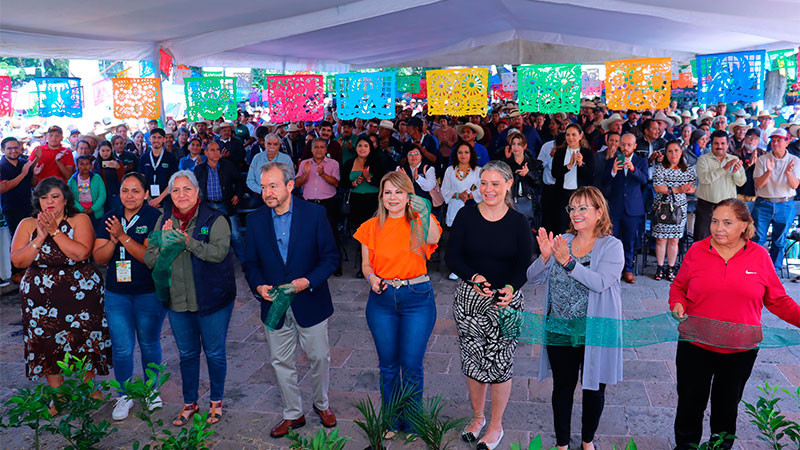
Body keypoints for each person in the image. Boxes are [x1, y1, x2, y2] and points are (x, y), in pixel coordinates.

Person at [669, 198, 800, 450]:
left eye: (728, 223)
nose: (718, 228)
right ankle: (685, 446)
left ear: (744, 225)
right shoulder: (697, 250)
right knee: (689, 404)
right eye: (715, 221)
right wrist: (677, 303)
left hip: (739, 350)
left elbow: (779, 300)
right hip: (695, 343)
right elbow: (679, 287)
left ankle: (721, 447)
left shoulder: (760, 256)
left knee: (726, 407)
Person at [241, 161, 339, 438]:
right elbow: (249, 263)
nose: (267, 192)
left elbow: (330, 258)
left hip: (310, 301)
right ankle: (293, 414)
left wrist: (307, 281)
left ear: (289, 186)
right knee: (280, 361)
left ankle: (321, 404)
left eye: (273, 186)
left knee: (319, 357)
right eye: (263, 187)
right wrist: (259, 286)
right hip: (274, 306)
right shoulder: (255, 219)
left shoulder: (315, 215)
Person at [527, 186, 624, 450]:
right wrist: (546, 257)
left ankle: (587, 441)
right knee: (562, 388)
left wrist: (568, 263)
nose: (576, 213)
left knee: (594, 389)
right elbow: (532, 277)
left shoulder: (612, 246)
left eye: (583, 208)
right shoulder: (563, 241)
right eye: (572, 207)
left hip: (593, 329)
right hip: (559, 327)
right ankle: (561, 443)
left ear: (599, 212)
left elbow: (601, 282)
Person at [446, 161, 533, 450]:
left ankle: (496, 426)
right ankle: (477, 417)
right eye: (484, 183)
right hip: (470, 299)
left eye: (495, 183)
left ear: (508, 185)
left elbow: (524, 264)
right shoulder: (466, 215)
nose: (488, 189)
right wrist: (474, 277)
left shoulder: (519, 221)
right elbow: (453, 257)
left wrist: (510, 288)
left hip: (506, 302)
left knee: (500, 364)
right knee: (473, 361)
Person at [10, 177, 111, 411]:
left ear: (65, 199)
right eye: (44, 198)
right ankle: (59, 394)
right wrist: (41, 235)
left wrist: (55, 231)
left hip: (80, 292)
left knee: (85, 339)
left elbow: (81, 253)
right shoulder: (27, 224)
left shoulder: (79, 219)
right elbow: (18, 260)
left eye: (55, 196)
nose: (49, 202)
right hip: (40, 296)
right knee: (47, 342)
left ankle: (88, 387)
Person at [144, 170, 236, 427]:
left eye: (187, 189)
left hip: (212, 300)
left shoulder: (214, 218)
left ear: (197, 192)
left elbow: (219, 253)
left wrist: (188, 242)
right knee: (186, 354)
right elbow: (150, 259)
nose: (181, 195)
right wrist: (163, 243)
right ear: (169, 195)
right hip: (177, 301)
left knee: (215, 353)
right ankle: (189, 403)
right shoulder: (163, 220)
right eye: (175, 190)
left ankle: (216, 401)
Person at [354, 171, 442, 436]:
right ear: (381, 196)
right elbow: (366, 264)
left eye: (399, 192)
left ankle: (414, 421)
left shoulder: (417, 221)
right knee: (388, 366)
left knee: (412, 365)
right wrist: (371, 278)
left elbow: (435, 239)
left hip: (417, 299)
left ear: (408, 196)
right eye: (388, 192)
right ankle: (391, 421)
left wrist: (423, 209)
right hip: (382, 300)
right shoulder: (370, 226)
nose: (393, 197)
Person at [93, 173, 165, 420]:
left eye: (136, 191)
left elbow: (148, 257)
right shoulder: (110, 217)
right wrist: (113, 241)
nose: (130, 196)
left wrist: (123, 236)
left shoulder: (155, 217)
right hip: (117, 293)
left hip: (148, 292)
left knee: (149, 343)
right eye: (125, 190)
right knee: (122, 348)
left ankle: (151, 390)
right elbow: (99, 258)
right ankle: (124, 395)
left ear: (146, 194)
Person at [752, 128, 800, 272]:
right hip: (764, 203)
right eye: (773, 140)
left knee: (779, 240)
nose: (775, 143)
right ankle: (757, 270)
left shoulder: (795, 160)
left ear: (787, 142)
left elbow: (794, 185)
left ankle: (774, 270)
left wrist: (789, 173)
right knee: (758, 239)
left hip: (785, 203)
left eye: (779, 140)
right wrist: (769, 171)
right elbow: (759, 184)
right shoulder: (763, 159)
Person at [603, 133, 648, 284]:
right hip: (615, 207)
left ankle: (628, 269)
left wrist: (634, 169)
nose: (625, 147)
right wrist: (613, 171)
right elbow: (604, 182)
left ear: (635, 146)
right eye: (623, 144)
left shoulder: (641, 161)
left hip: (633, 208)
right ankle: (612, 270)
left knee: (630, 241)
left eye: (629, 145)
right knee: (612, 240)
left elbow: (645, 180)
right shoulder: (613, 160)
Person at [341, 137, 388, 277]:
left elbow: (383, 181)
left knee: (375, 234)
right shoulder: (350, 162)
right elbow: (343, 182)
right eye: (360, 145)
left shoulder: (376, 161)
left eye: (365, 146)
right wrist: (354, 183)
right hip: (356, 201)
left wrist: (369, 179)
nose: (362, 148)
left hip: (373, 201)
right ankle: (364, 266)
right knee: (362, 236)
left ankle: (378, 265)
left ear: (370, 148)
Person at [652, 141, 696, 281]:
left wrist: (688, 189)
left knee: (674, 240)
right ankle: (659, 267)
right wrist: (677, 190)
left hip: (679, 207)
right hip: (662, 206)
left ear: (681, 152)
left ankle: (670, 267)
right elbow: (658, 187)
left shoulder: (687, 169)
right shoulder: (660, 168)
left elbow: (693, 186)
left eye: (676, 150)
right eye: (670, 151)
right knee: (661, 239)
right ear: (666, 153)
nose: (673, 154)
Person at [193, 141, 245, 259]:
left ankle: (245, 262)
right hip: (207, 206)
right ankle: (210, 261)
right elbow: (193, 187)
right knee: (206, 234)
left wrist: (237, 195)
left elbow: (240, 181)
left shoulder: (228, 165)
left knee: (235, 235)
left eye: (218, 150)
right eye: (212, 150)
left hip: (225, 204)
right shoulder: (199, 169)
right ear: (205, 153)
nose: (216, 153)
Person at [694, 130, 746, 241]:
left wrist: (735, 171)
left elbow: (741, 182)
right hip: (706, 207)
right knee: (702, 241)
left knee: (726, 240)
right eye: (716, 143)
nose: (719, 146)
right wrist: (724, 169)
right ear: (711, 144)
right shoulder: (703, 159)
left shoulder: (734, 160)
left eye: (722, 143)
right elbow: (704, 179)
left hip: (728, 208)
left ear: (727, 145)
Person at [551, 124, 595, 234]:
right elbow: (555, 173)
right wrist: (568, 166)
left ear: (581, 136)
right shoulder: (560, 153)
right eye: (568, 135)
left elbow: (591, 175)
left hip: (580, 196)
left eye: (574, 135)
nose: (570, 138)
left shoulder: (587, 153)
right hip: (562, 195)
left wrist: (581, 164)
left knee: (579, 227)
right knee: (562, 226)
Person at [504, 132, 542, 229]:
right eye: (513, 144)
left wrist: (528, 174)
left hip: (530, 206)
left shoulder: (534, 163)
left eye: (519, 144)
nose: (516, 147)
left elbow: (539, 183)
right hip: (511, 203)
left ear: (525, 146)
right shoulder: (506, 165)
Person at [1, 137, 35, 237]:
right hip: (11, 208)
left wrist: (36, 174)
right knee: (17, 238)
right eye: (9, 148)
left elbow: (33, 184)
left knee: (32, 237)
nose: (13, 151)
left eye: (16, 148)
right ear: (3, 150)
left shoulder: (24, 163)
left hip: (28, 206)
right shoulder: (1, 166)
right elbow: (3, 188)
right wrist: (23, 174)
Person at [68, 155, 107, 228]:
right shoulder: (72, 180)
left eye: (87, 164)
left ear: (91, 165)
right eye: (82, 164)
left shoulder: (97, 178)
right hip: (79, 210)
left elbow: (102, 195)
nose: (85, 167)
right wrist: (81, 209)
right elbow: (70, 196)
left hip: (95, 211)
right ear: (77, 165)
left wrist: (93, 208)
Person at [731, 128, 764, 209]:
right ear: (745, 138)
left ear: (759, 141)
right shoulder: (736, 153)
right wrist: (748, 165)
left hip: (756, 195)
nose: (752, 140)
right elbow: (733, 172)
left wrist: (758, 164)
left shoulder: (763, 154)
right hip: (739, 194)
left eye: (756, 138)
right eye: (750, 137)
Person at [94, 140, 125, 213]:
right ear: (99, 151)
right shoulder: (95, 164)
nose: (105, 153)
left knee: (116, 213)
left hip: (115, 194)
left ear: (111, 150)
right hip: (100, 195)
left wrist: (118, 168)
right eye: (103, 151)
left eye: (107, 150)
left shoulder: (118, 162)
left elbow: (122, 179)